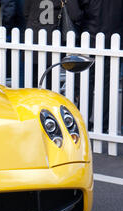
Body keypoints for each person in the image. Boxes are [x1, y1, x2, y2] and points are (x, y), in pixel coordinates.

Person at [78, 0, 123, 133]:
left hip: (90, 38)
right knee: (109, 85)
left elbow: (76, 13)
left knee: (86, 83)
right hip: (115, 39)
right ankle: (103, 124)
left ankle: (83, 121)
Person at [24, 0, 83, 88]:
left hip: (33, 38)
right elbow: (75, 15)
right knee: (49, 83)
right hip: (52, 40)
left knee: (32, 82)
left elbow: (25, 12)